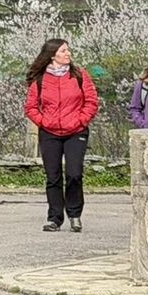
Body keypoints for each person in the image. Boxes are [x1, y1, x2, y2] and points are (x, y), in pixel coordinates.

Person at [24, 38, 99, 232]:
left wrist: (81, 120)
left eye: (68, 50)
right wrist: (44, 122)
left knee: (74, 173)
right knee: (53, 176)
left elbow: (91, 101)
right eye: (63, 51)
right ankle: (54, 218)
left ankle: (75, 215)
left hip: (76, 131)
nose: (68, 54)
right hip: (50, 133)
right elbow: (31, 107)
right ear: (52, 55)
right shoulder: (40, 80)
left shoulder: (79, 75)